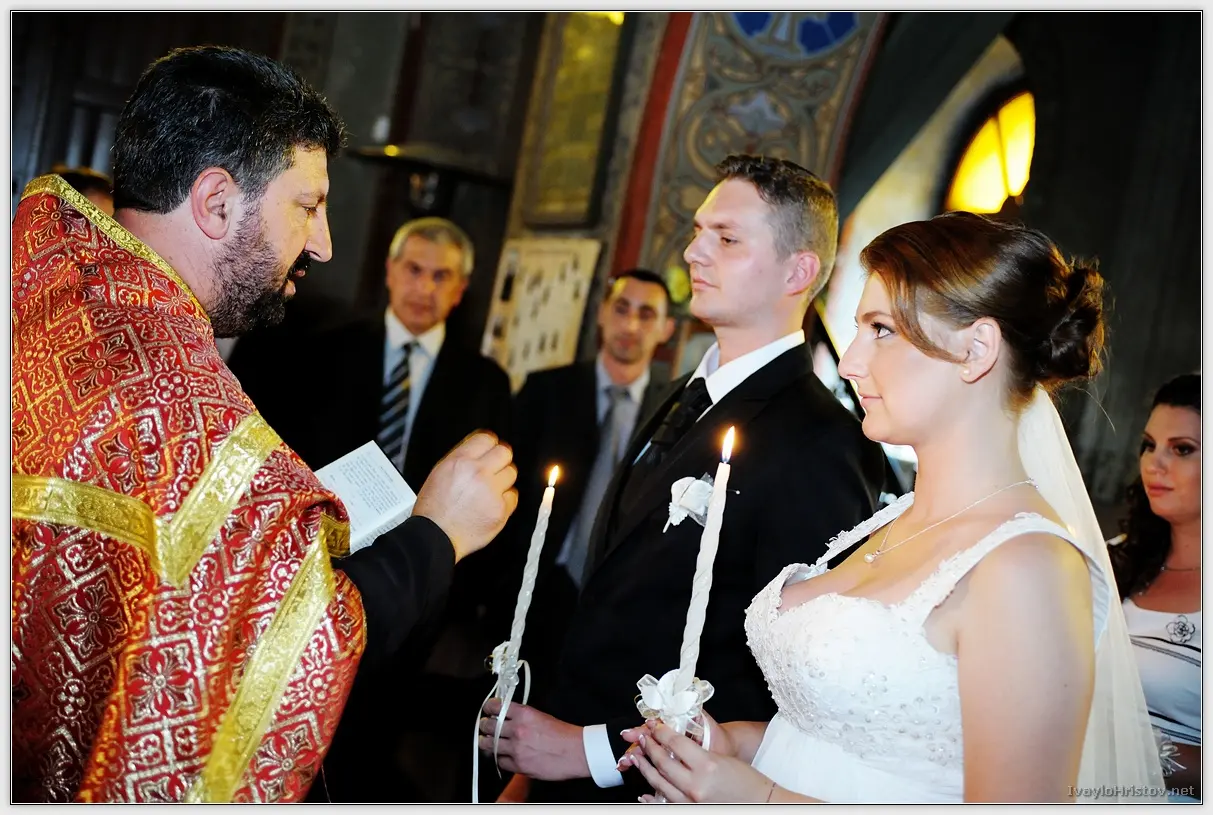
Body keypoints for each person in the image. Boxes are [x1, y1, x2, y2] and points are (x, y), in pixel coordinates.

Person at [11, 45, 518, 804]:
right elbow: (281, 662)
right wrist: (437, 533)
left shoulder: (60, 304)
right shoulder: (178, 406)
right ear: (217, 202)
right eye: (307, 206)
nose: (324, 244)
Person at [616, 211, 1165, 802]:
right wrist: (733, 745)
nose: (849, 362)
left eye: (881, 329)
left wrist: (760, 800)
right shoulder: (890, 521)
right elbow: (839, 744)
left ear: (976, 349)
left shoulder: (1029, 567)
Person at [480, 155, 888, 803]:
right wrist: (536, 768)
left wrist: (590, 750)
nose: (694, 251)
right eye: (699, 231)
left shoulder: (821, 441)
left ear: (797, 271)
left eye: (726, 238)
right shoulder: (679, 394)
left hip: (660, 788)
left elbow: (787, 681)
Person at [231, 216, 513, 803]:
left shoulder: (483, 381)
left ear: (461, 290)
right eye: (414, 269)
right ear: (389, 271)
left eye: (441, 276)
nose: (424, 287)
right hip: (321, 579)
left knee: (380, 757)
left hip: (427, 591)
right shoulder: (323, 349)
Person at [499, 268, 676, 707]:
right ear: (601, 313)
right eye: (621, 308)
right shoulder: (546, 391)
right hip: (536, 587)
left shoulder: (674, 411)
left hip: (620, 604)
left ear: (666, 329)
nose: (630, 324)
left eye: (646, 314)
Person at [1111, 373, 1201, 802]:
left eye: (1182, 449)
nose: (1154, 463)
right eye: (1149, 445)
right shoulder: (1112, 557)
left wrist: (1139, 751)